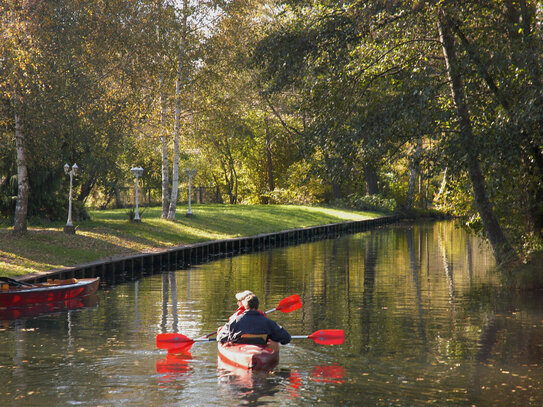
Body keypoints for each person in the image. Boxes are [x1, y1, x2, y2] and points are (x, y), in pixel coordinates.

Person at [217, 294, 291, 345]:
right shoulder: (267, 321)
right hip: (261, 351)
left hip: (241, 350)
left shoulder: (235, 320)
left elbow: (220, 337)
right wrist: (272, 337)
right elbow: (286, 338)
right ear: (258, 305)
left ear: (245, 306)